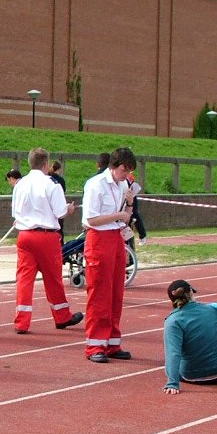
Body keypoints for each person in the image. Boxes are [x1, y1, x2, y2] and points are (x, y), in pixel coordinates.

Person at [11, 146, 82, 334]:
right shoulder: (51, 184)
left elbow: (15, 213)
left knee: (24, 279)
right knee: (53, 279)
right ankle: (61, 316)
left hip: (25, 235)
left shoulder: (20, 184)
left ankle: (21, 321)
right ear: (46, 165)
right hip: (46, 236)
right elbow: (60, 212)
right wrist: (69, 209)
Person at [81, 146, 136, 363]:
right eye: (123, 170)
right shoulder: (96, 185)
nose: (125, 175)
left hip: (115, 236)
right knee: (99, 293)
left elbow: (125, 218)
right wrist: (119, 214)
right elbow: (91, 219)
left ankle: (113, 342)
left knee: (116, 292)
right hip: (99, 238)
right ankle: (95, 345)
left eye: (128, 172)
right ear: (113, 166)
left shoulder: (122, 184)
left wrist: (129, 203)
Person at [162, 279, 217, 394]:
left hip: (190, 374)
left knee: (176, 362)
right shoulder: (211, 310)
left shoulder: (172, 321)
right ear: (190, 292)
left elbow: (173, 353)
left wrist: (172, 383)